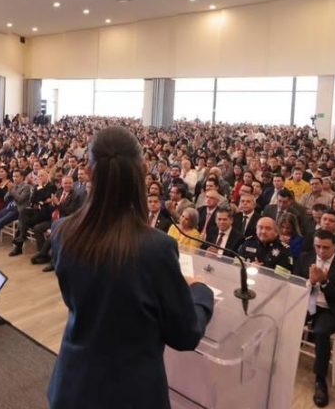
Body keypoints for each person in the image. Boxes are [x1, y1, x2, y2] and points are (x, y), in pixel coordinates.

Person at [47, 126, 214, 409]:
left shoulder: (63, 231)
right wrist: (200, 292)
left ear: (88, 171)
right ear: (142, 170)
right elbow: (185, 334)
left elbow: (79, 298)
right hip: (131, 393)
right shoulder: (156, 248)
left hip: (73, 384)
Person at [294, 231, 335, 407]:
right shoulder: (305, 258)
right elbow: (295, 282)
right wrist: (310, 282)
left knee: (321, 333)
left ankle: (320, 380)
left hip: (331, 309)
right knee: (284, 317)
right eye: (317, 246)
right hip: (307, 303)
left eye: (325, 247)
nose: (321, 251)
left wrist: (324, 282)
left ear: (334, 246)